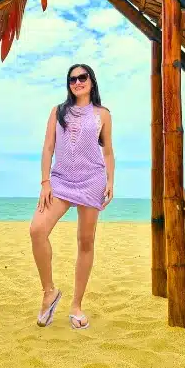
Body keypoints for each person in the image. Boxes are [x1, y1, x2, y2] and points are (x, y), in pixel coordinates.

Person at [30, 64, 115, 329]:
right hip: (60, 182)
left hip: (92, 181)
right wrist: (45, 182)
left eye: (82, 77)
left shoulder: (103, 114)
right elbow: (47, 148)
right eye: (72, 79)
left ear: (91, 81)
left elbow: (108, 151)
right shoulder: (58, 111)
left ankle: (76, 305)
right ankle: (49, 292)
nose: (77, 82)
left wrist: (110, 180)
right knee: (37, 230)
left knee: (85, 242)